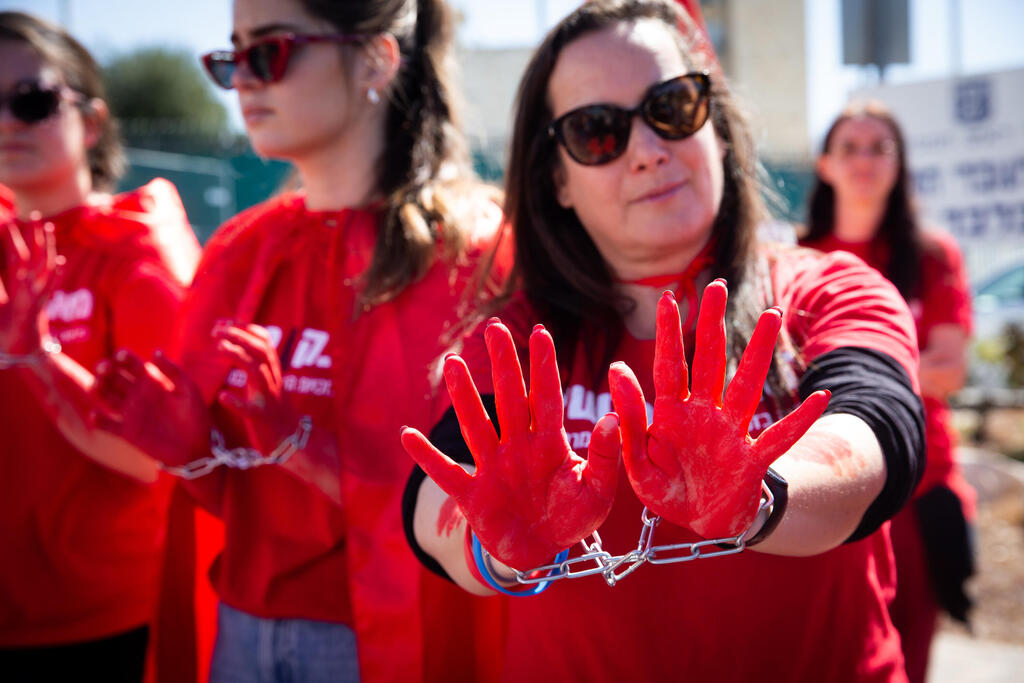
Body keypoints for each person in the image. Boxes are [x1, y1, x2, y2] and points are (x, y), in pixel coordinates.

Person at [401, 1, 928, 680]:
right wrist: (494, 549)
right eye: (597, 132)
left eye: (673, 107)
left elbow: (877, 434)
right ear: (555, 179)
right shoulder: (520, 335)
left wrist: (759, 496)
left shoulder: (830, 289)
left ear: (720, 129)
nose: (648, 151)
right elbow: (439, 492)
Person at [91, 0, 508, 680]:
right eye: (232, 58)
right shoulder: (238, 250)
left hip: (392, 645)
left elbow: (483, 516)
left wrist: (301, 444)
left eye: (270, 52)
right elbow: (234, 499)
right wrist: (189, 450)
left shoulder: (475, 257)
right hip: (242, 628)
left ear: (375, 57)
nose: (245, 82)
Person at [0, 11, 200, 683]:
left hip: (101, 622)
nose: (7, 121)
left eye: (31, 100)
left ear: (91, 122)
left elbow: (156, 457)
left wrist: (37, 360)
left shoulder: (136, 250)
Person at [801, 100, 976, 683]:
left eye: (880, 147)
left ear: (900, 164)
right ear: (825, 165)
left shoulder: (930, 256)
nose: (865, 161)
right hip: (824, 485)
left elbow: (950, 370)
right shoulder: (800, 258)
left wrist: (855, 374)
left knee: (905, 655)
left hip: (918, 489)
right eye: (850, 146)